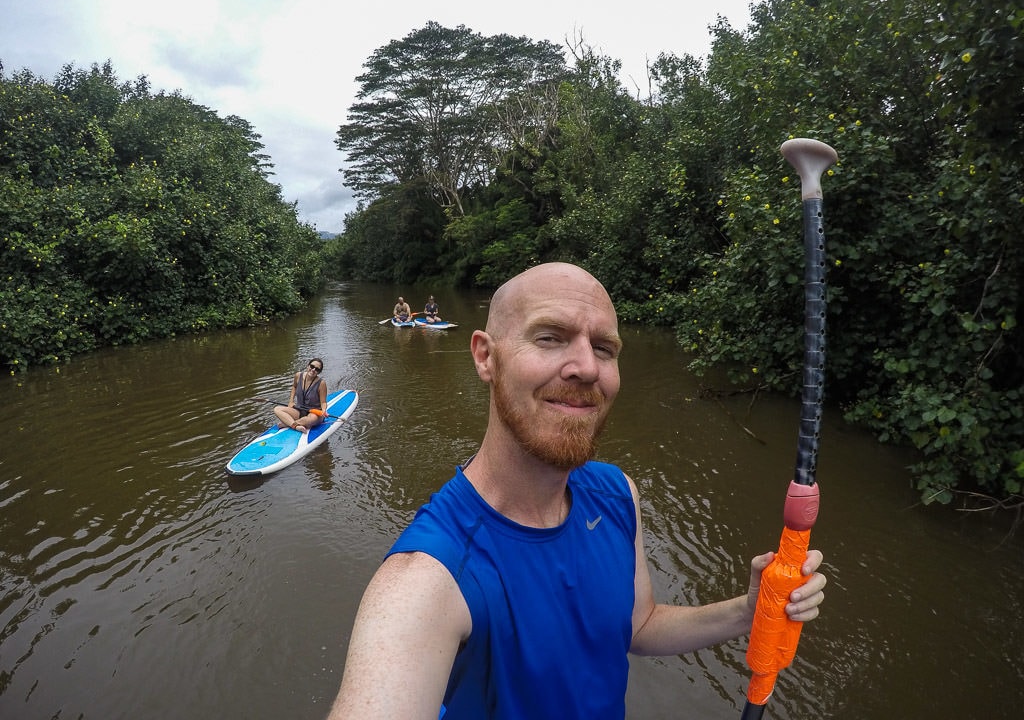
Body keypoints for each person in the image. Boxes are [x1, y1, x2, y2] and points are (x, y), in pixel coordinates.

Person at [327, 263, 827, 720]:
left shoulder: (616, 494)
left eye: (604, 348)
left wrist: (747, 610)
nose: (586, 367)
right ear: (485, 356)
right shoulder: (426, 580)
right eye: (550, 337)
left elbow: (638, 626)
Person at [274, 358, 328, 433]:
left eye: (317, 369)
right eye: (312, 366)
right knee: (277, 409)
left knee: (309, 420)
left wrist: (324, 410)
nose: (313, 370)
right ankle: (296, 426)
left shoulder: (321, 383)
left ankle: (288, 423)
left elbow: (323, 402)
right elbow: (294, 387)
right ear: (308, 366)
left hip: (314, 413)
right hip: (299, 409)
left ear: (319, 372)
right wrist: (291, 401)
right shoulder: (298, 375)